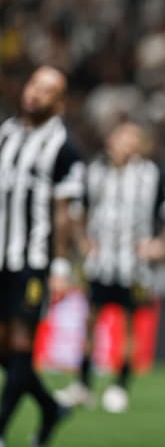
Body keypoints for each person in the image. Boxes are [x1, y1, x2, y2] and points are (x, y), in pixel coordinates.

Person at [54, 121, 165, 413]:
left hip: (134, 266)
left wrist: (162, 244)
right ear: (110, 141)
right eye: (122, 137)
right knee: (90, 322)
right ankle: (82, 384)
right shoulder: (94, 172)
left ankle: (120, 385)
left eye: (133, 138)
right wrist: (81, 240)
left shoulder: (151, 175)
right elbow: (76, 209)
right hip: (100, 263)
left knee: (129, 326)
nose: (127, 144)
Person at [0, 66, 85, 447]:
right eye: (34, 84)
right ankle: (50, 408)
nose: (36, 93)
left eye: (48, 90)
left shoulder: (64, 150)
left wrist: (61, 266)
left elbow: (64, 214)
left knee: (21, 345)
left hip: (33, 262)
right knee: (8, 353)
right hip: (1, 258)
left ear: (60, 103)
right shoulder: (5, 134)